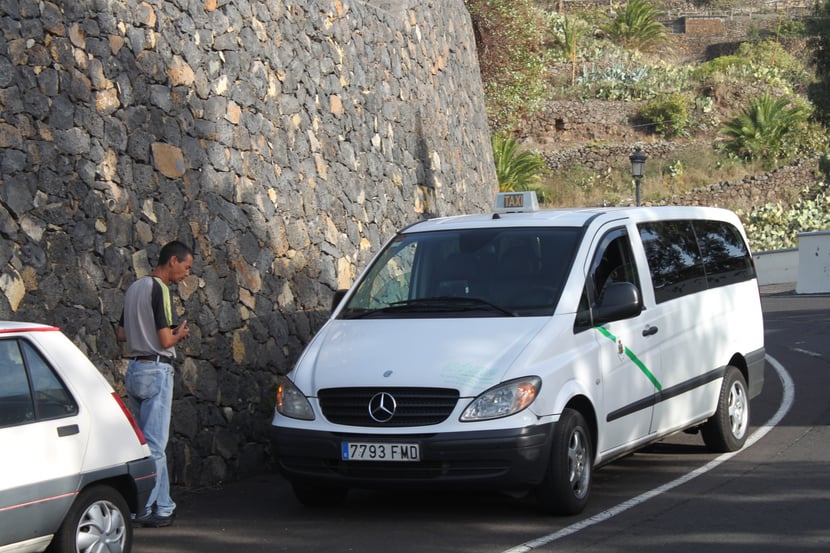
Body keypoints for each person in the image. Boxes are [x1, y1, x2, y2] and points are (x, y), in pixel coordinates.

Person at [117, 240, 194, 528]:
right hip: (156, 370)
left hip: (135, 369)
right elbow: (164, 341)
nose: (186, 273)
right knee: (156, 446)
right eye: (186, 267)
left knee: (145, 444)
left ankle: (157, 507)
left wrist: (154, 334)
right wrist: (180, 333)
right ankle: (151, 507)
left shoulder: (134, 287)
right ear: (172, 260)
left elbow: (122, 333)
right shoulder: (159, 288)